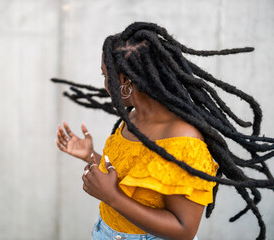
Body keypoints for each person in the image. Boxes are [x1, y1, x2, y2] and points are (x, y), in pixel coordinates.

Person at [53, 22, 274, 240]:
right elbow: (133, 180)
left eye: (106, 75)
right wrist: (89, 155)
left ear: (126, 81)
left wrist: (112, 198)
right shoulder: (132, 119)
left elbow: (184, 229)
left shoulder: (184, 141)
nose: (104, 85)